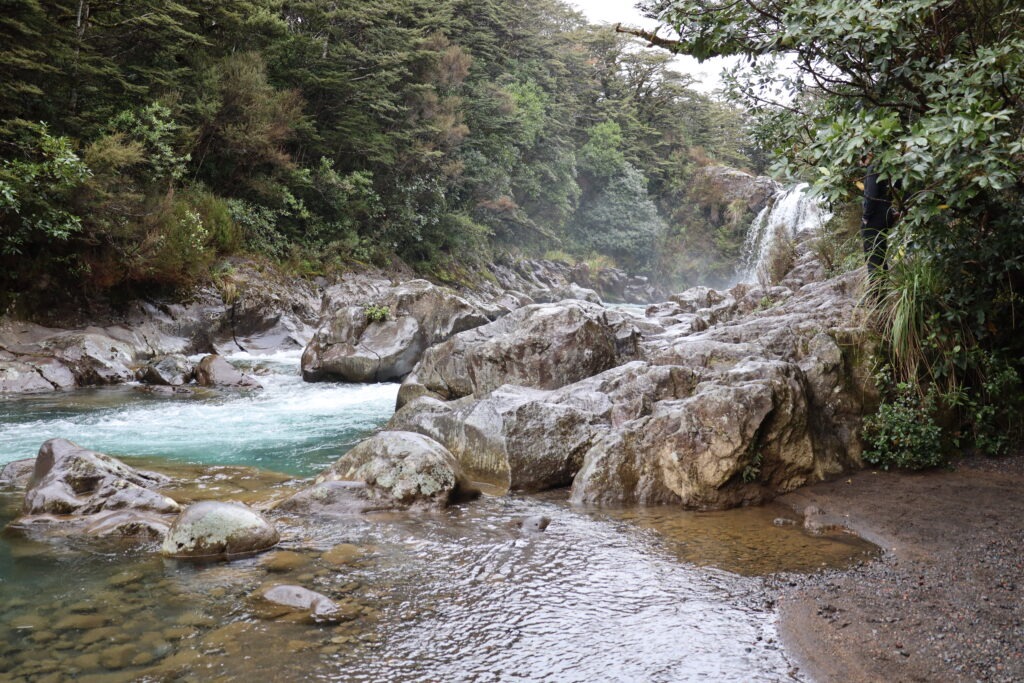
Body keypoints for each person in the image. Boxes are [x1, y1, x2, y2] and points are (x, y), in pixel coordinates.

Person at [861, 166, 895, 273]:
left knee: (873, 257)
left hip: (875, 217)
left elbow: (872, 195)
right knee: (880, 252)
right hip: (885, 214)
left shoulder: (872, 170)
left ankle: (876, 288)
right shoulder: (885, 167)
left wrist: (866, 216)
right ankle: (882, 286)